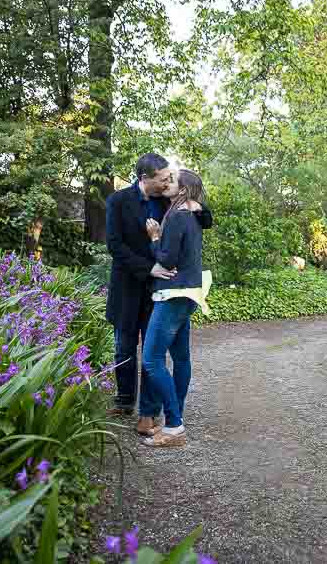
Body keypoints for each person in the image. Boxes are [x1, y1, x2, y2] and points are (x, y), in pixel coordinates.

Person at [104, 154, 212, 436]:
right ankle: (125, 400)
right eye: (162, 178)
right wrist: (149, 267)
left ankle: (148, 413)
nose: (167, 181)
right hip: (128, 286)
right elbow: (114, 246)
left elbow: (204, 216)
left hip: (160, 290)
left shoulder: (170, 200)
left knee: (153, 353)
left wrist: (198, 207)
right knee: (124, 348)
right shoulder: (117, 201)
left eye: (169, 178)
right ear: (144, 179)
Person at [140, 169, 209, 448]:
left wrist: (155, 237)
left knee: (152, 360)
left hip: (173, 294)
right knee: (180, 358)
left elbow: (166, 260)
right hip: (190, 292)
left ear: (183, 190)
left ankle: (174, 426)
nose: (167, 183)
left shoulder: (179, 216)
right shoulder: (192, 215)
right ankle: (174, 418)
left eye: (172, 181)